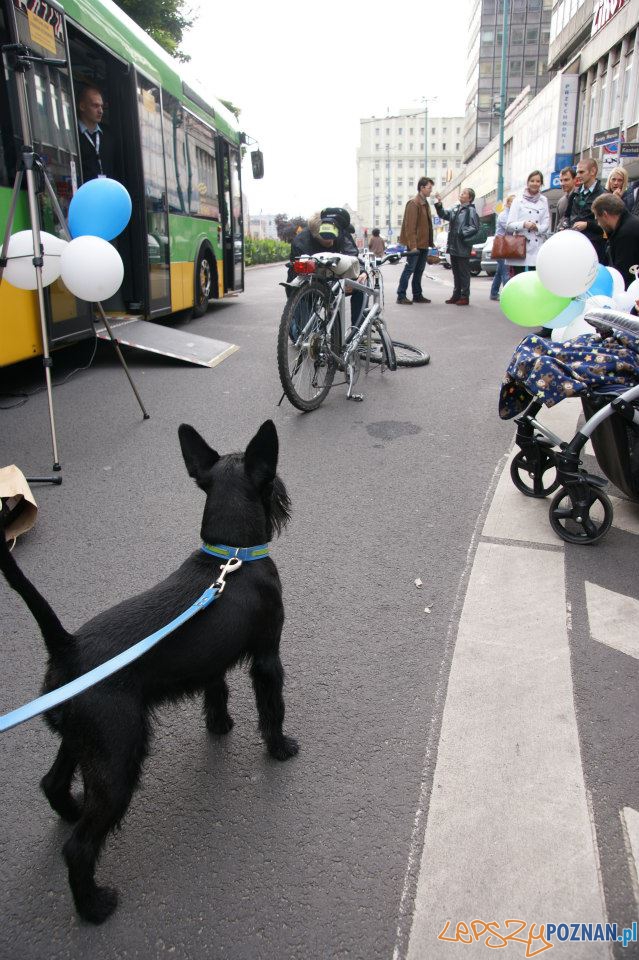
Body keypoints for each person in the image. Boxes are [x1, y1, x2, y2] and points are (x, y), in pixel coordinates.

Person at [287, 207, 366, 334]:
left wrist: (360, 272)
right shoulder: (301, 242)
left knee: (361, 286)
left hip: (335, 279)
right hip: (307, 286)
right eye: (325, 238)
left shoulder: (341, 232)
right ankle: (293, 326)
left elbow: (353, 257)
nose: (331, 241)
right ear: (314, 234)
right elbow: (298, 275)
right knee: (303, 334)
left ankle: (358, 332)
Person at [434, 187, 480, 306]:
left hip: (463, 246)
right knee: (456, 273)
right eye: (462, 192)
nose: (461, 194)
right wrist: (439, 204)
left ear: (469, 198)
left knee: (464, 273)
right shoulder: (456, 208)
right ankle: (456, 295)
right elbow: (444, 214)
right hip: (454, 246)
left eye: (464, 193)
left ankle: (465, 296)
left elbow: (474, 227)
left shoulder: (471, 210)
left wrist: (461, 233)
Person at [396, 177, 435, 305]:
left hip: (423, 244)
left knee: (419, 271)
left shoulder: (424, 202)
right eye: (429, 188)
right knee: (409, 270)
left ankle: (417, 295)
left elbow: (426, 225)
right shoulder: (414, 203)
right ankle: (401, 295)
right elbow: (410, 226)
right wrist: (413, 246)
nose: (431, 190)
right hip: (415, 244)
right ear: (422, 188)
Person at [505, 170, 550, 276]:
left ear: (541, 184)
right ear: (527, 182)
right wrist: (524, 224)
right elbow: (509, 225)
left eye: (538, 181)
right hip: (520, 246)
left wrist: (536, 227)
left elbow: (546, 224)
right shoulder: (517, 200)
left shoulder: (544, 200)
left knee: (534, 278)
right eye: (532, 181)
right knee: (517, 278)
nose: (535, 183)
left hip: (537, 245)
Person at [592, 192, 639, 289]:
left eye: (598, 219)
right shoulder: (629, 224)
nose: (599, 224)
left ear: (605, 214)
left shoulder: (625, 234)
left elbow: (623, 275)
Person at [567, 157, 606, 262]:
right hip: (576, 245)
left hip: (594, 247)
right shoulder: (575, 193)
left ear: (593, 171)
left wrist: (587, 225)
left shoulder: (603, 195)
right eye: (577, 172)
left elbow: (606, 224)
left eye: (581, 172)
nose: (578, 175)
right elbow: (568, 216)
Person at [76, 84, 114, 182]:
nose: (101, 111)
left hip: (106, 191)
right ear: (82, 106)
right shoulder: (73, 133)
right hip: (84, 192)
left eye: (101, 106)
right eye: (95, 106)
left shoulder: (108, 136)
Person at [490, 194, 514, 300]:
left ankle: (494, 293)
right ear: (507, 204)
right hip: (502, 246)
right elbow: (510, 228)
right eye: (512, 202)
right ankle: (508, 297)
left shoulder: (511, 215)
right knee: (506, 272)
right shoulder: (504, 215)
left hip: (505, 246)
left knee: (500, 272)